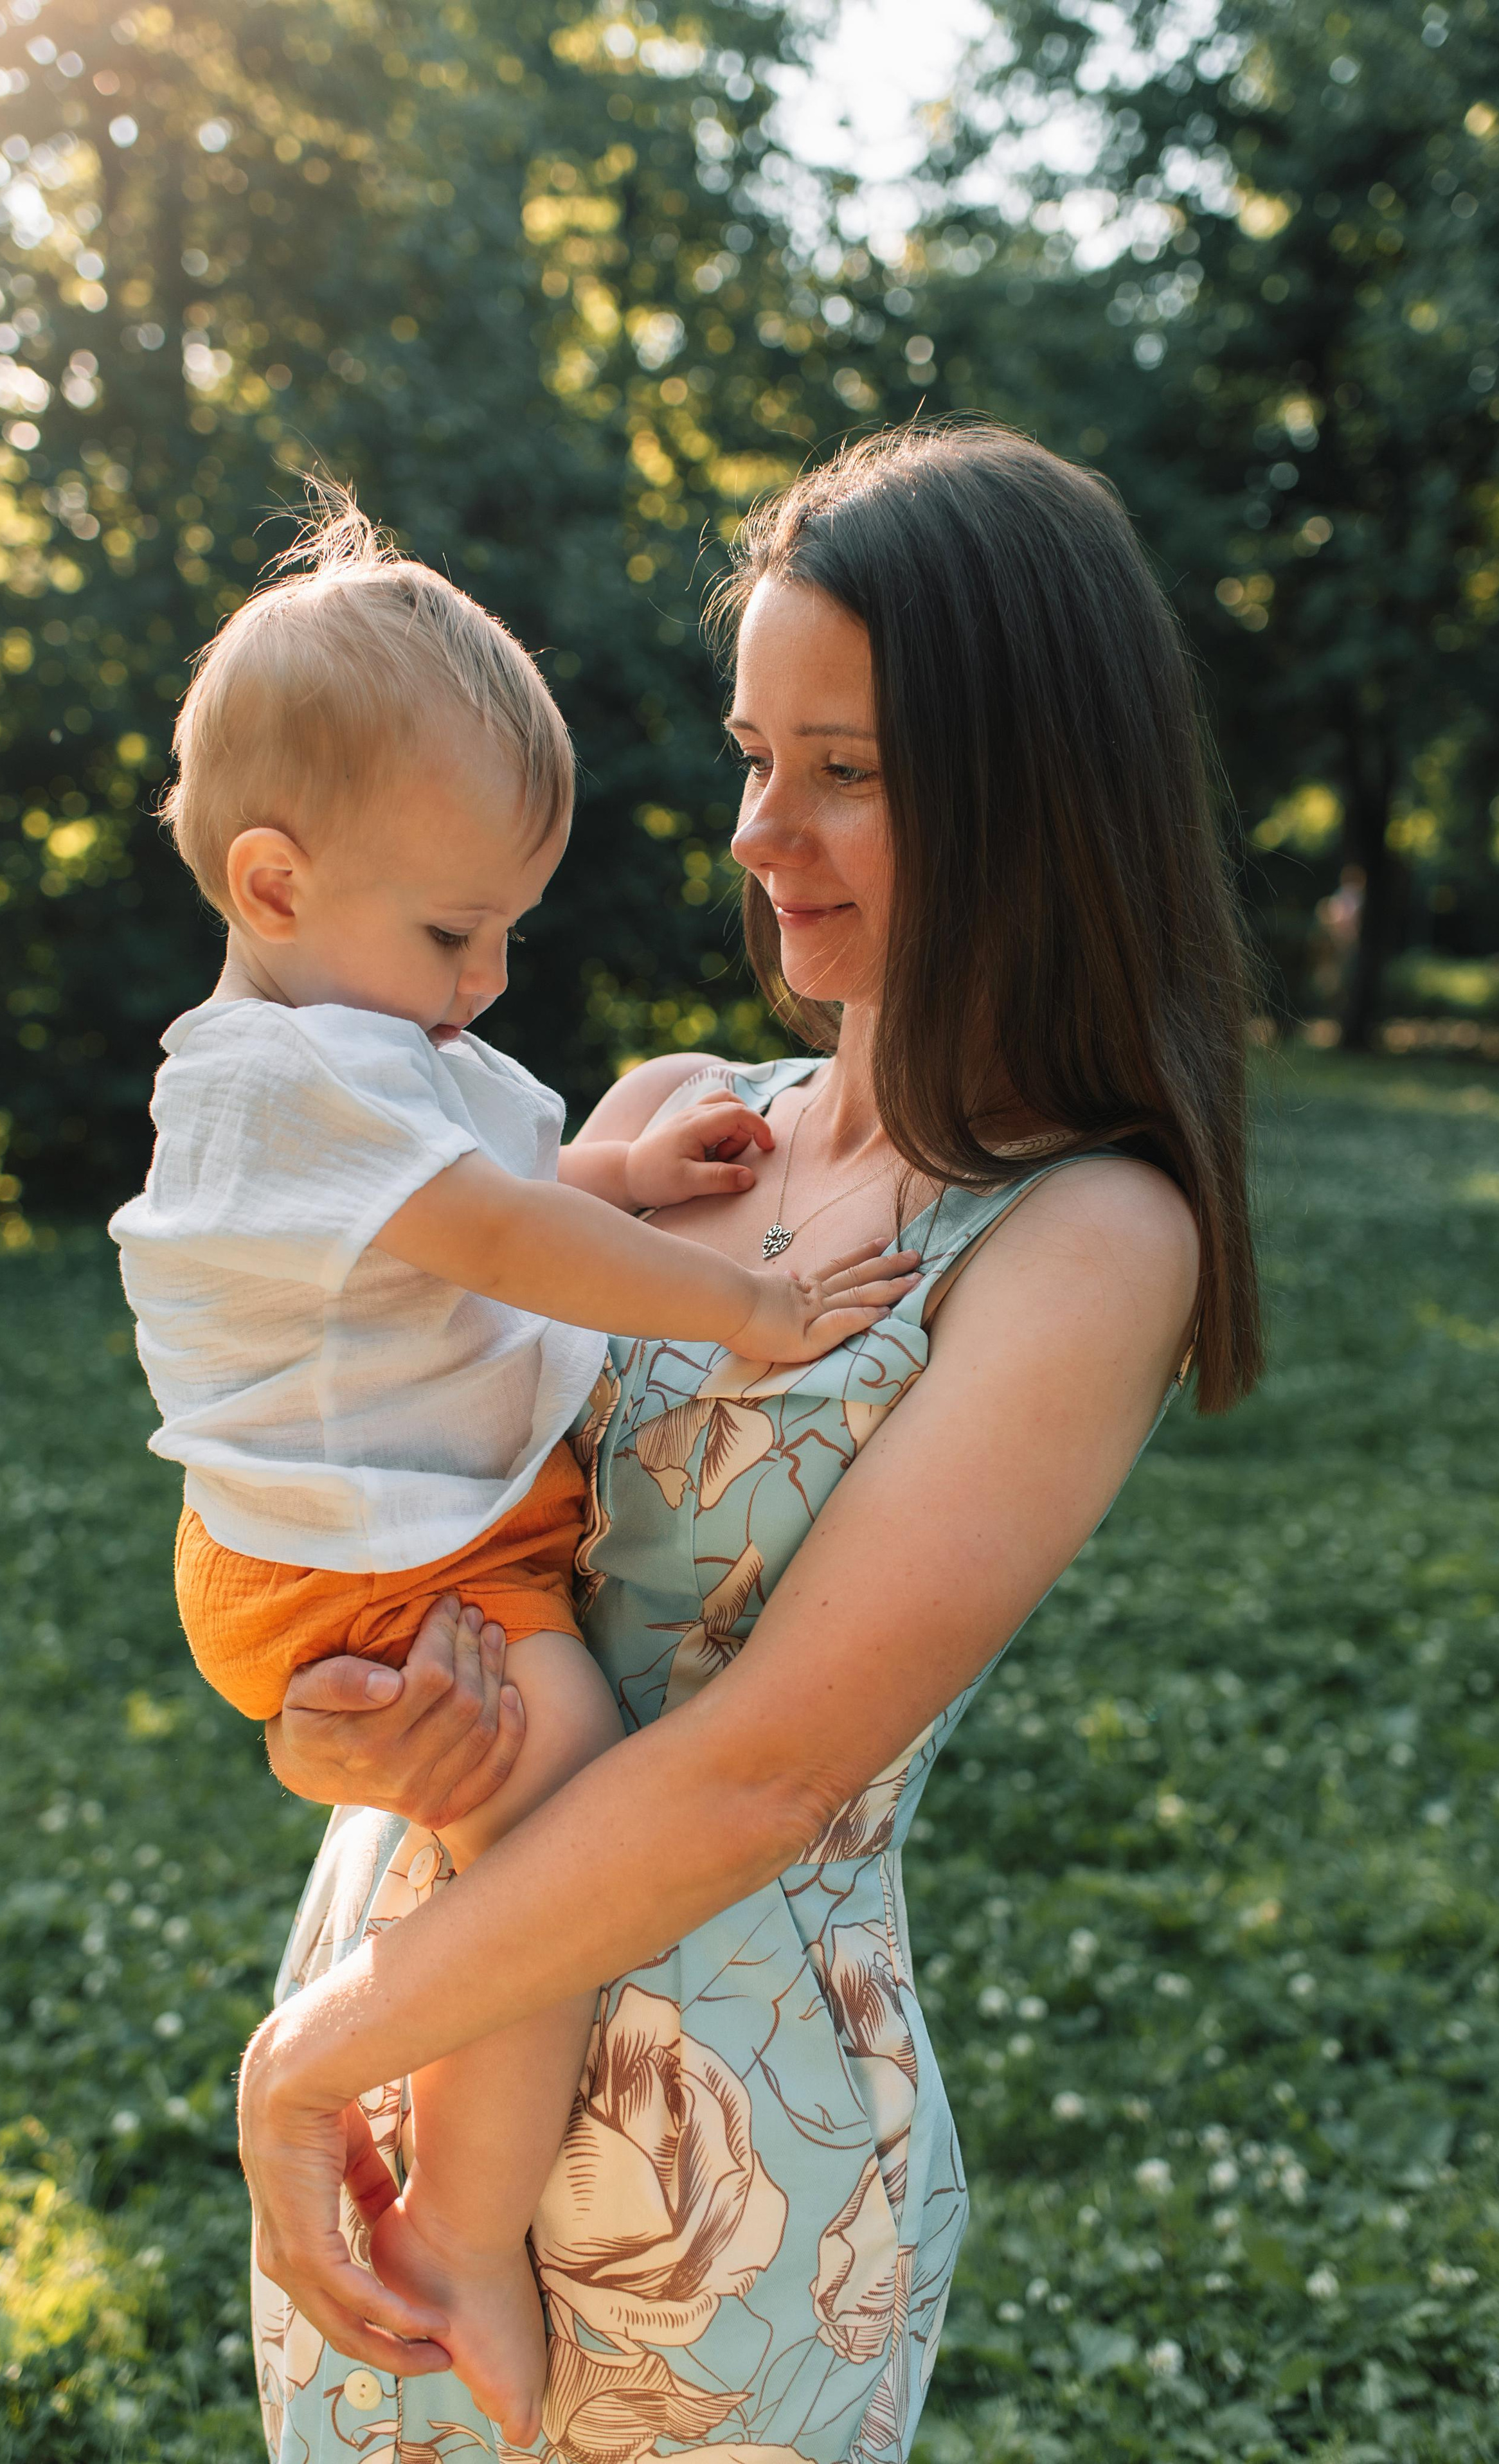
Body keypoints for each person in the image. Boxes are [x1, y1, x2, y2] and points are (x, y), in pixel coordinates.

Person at [235, 421, 1263, 2464]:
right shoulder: (655, 1124)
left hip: (731, 2160)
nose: (756, 826)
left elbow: (767, 1770)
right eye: (753, 751)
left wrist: (296, 2064)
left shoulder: (1083, 1236)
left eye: (846, 768)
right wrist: (332, 1726)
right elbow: (414, 1519)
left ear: (1030, 792)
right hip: (406, 2062)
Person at [107, 490, 917, 2443]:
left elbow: (479, 1211)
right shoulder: (276, 1068)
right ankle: (468, 2224)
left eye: (507, 932)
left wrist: (621, 1182)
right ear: (278, 883)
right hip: (378, 1561)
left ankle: (435, 2161)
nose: (485, 981)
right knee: (545, 1789)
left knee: (519, 1790)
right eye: (458, 930)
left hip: (414, 1546)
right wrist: (736, 1307)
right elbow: (482, 1240)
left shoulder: (361, 1035)